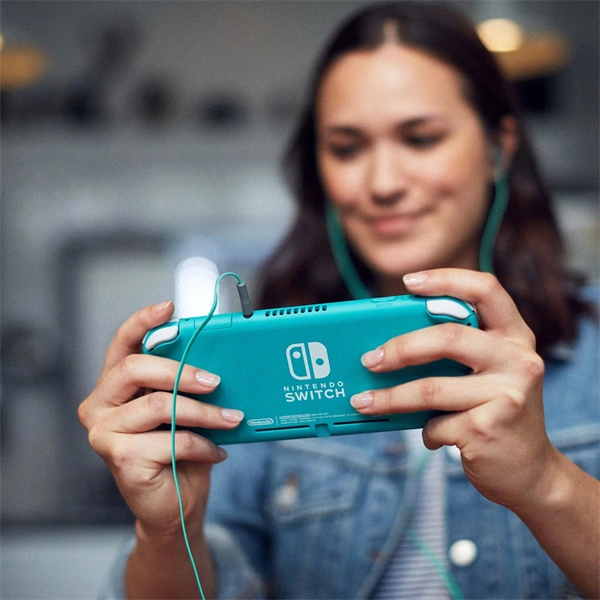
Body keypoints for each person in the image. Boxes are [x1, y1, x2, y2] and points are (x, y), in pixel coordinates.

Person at [78, 3, 600, 599]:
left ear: (498, 148)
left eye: (421, 138)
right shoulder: (265, 367)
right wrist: (166, 533)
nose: (382, 183)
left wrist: (544, 480)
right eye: (346, 148)